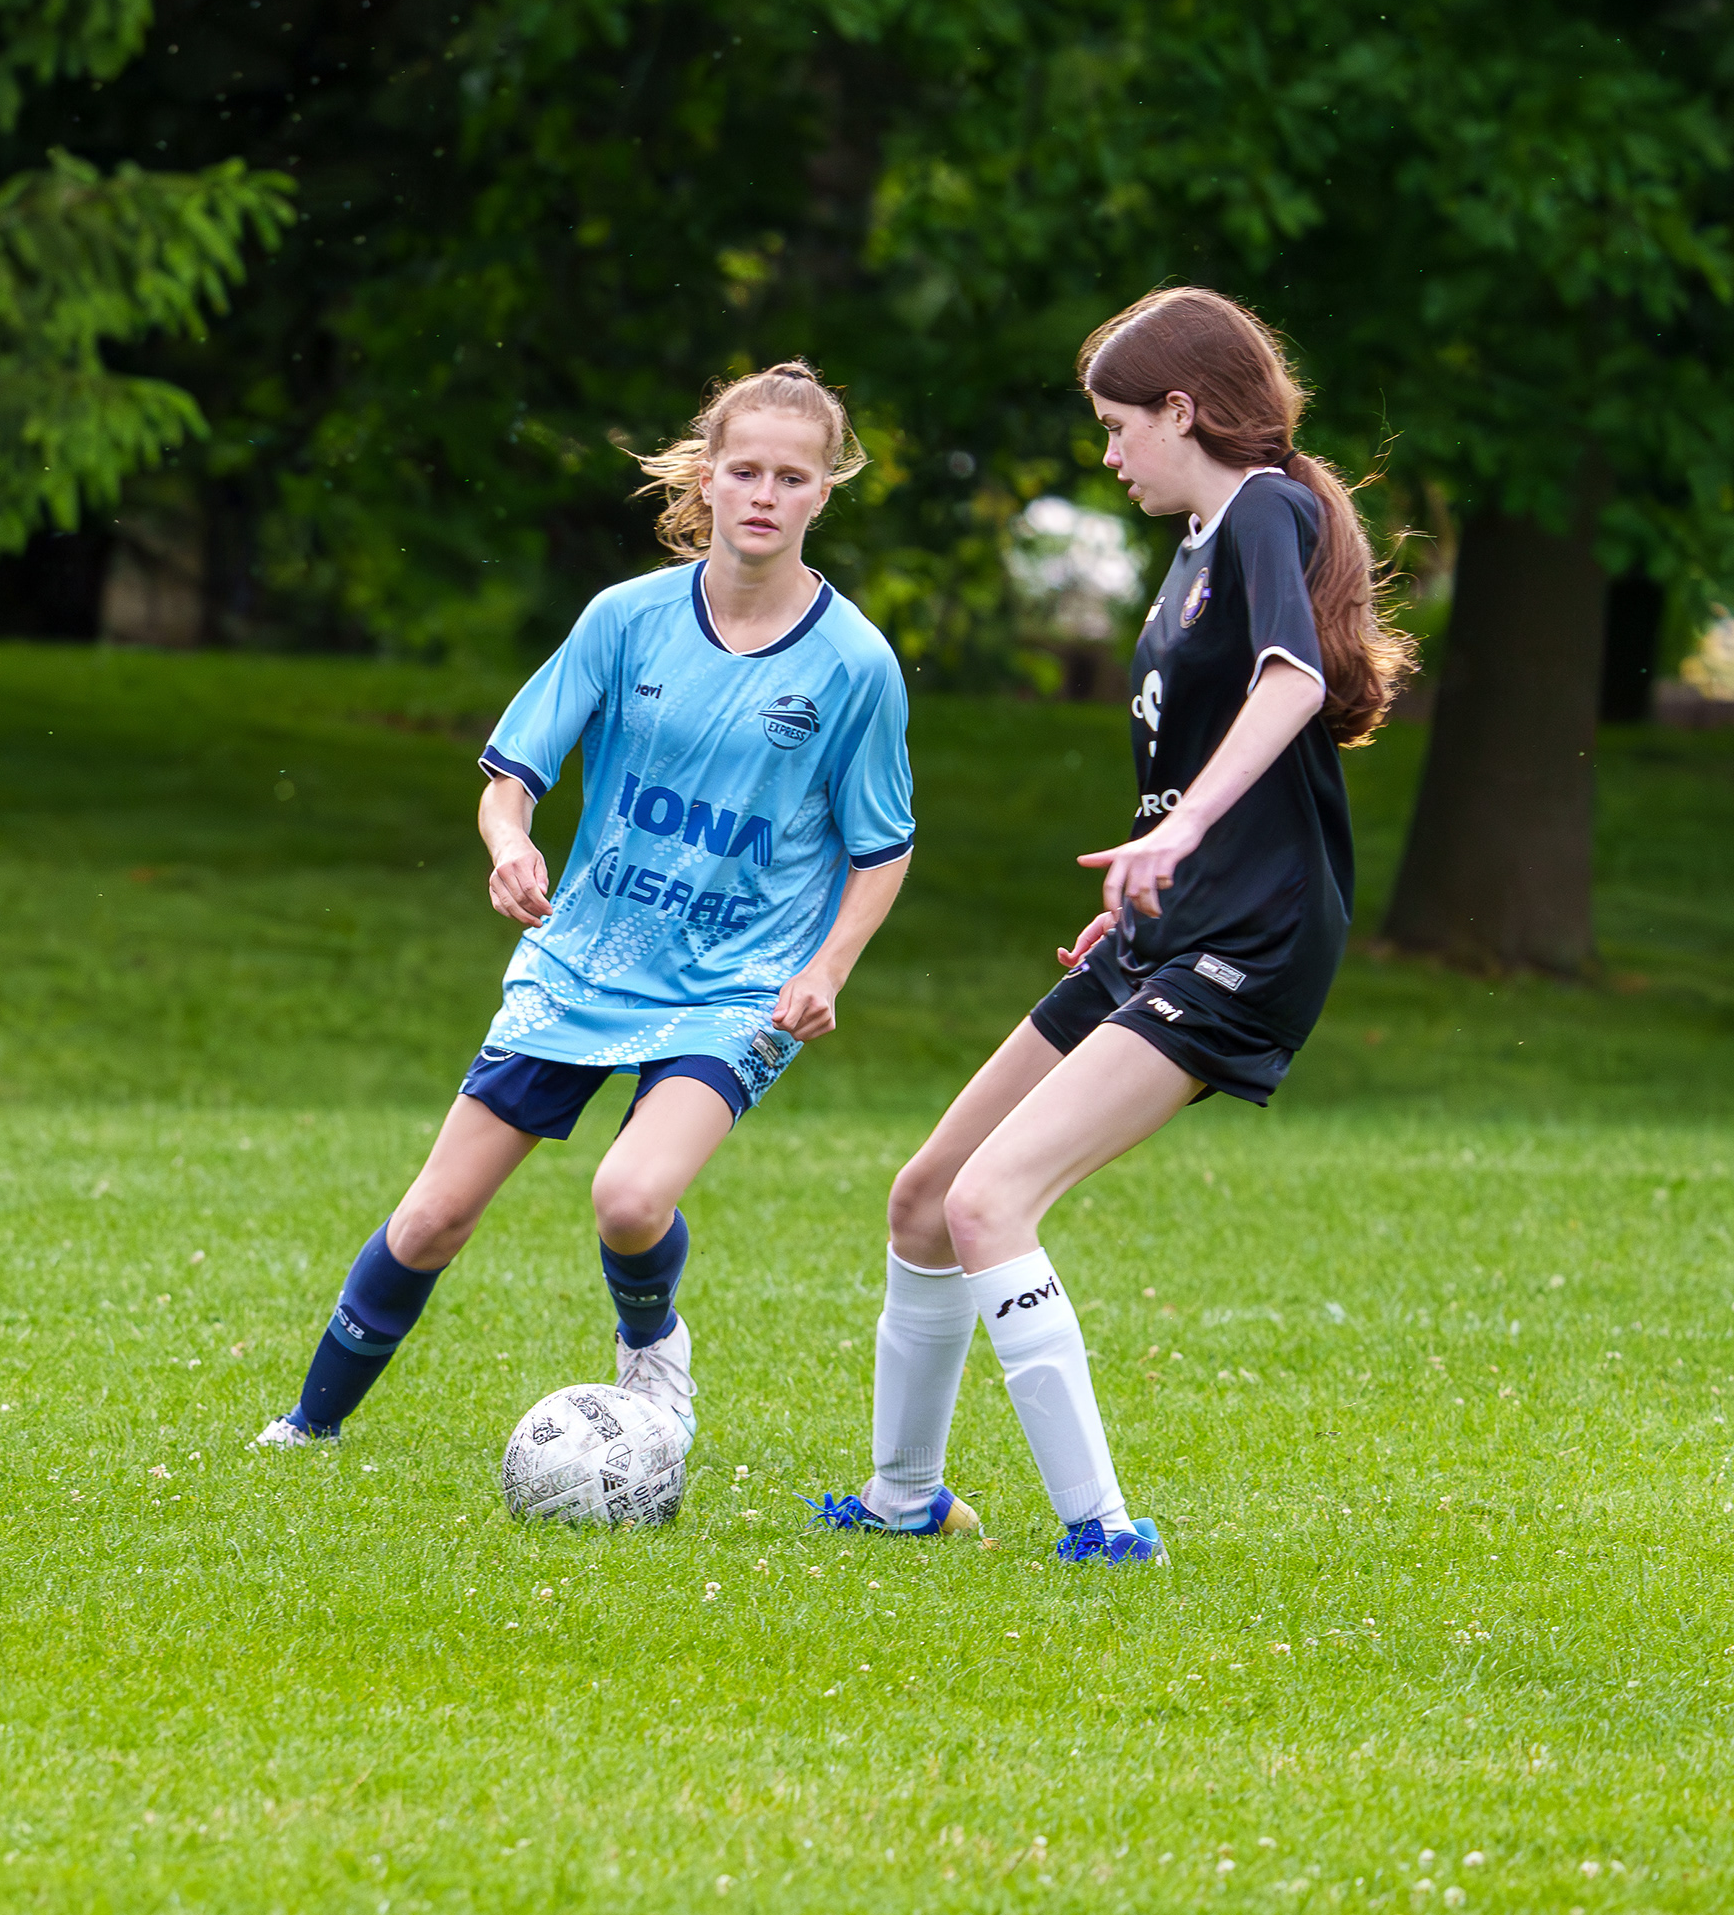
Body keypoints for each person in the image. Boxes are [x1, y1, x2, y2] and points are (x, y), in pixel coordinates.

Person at [819, 286, 1415, 1564]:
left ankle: (1103, 1532)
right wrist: (1153, 870)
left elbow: (1292, 681)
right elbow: (1199, 756)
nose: (1106, 455)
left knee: (992, 1202)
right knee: (926, 1197)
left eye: (1115, 425)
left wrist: (1179, 835)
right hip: (1175, 922)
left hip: (1252, 939)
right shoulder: (1197, 546)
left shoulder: (1264, 507)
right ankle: (902, 1497)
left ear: (1181, 410)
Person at [257, 361, 916, 1454]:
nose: (764, 494)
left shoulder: (854, 664)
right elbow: (510, 777)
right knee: (433, 1216)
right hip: (585, 960)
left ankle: (653, 1354)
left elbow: (883, 848)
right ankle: (307, 1430)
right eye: (744, 470)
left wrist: (827, 967)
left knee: (629, 1197)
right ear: (706, 477)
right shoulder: (626, 619)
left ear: (824, 492)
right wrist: (510, 843)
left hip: (736, 983)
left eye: (791, 477)